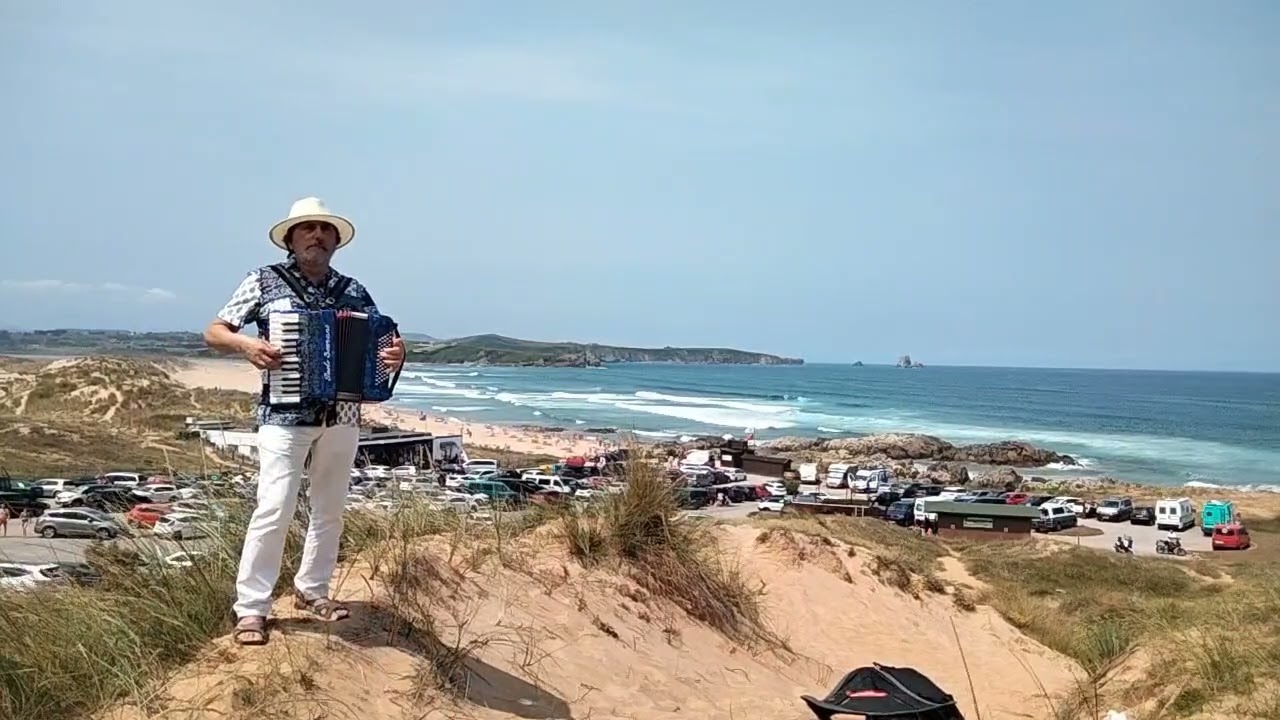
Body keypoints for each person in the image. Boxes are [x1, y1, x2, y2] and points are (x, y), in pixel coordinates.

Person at [203, 197, 405, 647]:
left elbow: (384, 341)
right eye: (307, 229)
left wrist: (396, 354)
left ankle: (312, 590)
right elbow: (215, 330)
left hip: (345, 413)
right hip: (284, 413)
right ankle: (252, 608)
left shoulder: (354, 290)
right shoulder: (263, 280)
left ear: (336, 241)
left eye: (325, 230)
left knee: (329, 509)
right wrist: (247, 347)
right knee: (273, 507)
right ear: (291, 239)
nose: (316, 236)